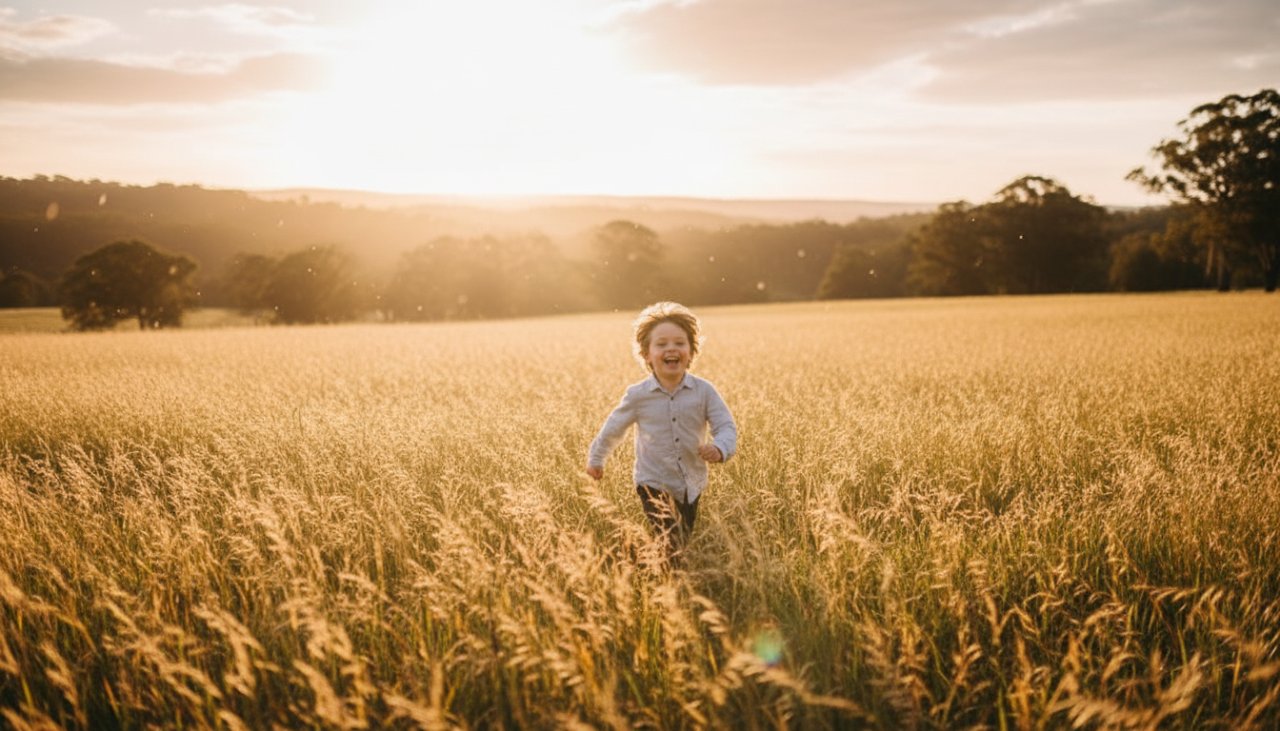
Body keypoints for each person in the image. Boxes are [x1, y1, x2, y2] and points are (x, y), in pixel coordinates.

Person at [586, 301, 738, 560]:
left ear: (691, 352)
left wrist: (720, 447)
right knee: (670, 539)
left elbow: (726, 426)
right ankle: (665, 578)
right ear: (646, 354)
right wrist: (596, 458)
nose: (671, 349)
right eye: (661, 344)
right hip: (652, 482)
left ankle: (647, 561)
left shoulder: (704, 391)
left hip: (691, 482)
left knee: (684, 535)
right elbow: (614, 428)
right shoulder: (638, 395)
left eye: (680, 343)